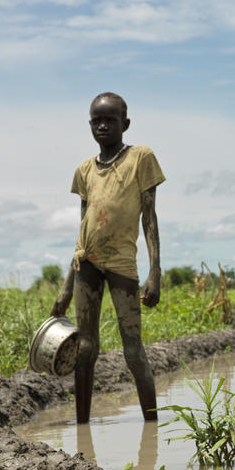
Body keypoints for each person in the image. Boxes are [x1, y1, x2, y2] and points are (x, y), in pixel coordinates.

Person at [51, 92, 165, 425]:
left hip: (121, 263)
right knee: (85, 349)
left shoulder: (141, 158)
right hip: (86, 263)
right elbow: (83, 228)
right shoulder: (85, 169)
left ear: (124, 124)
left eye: (109, 120)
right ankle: (82, 429)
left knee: (133, 349)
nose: (102, 126)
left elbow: (150, 218)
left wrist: (155, 272)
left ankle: (151, 426)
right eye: (96, 121)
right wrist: (66, 287)